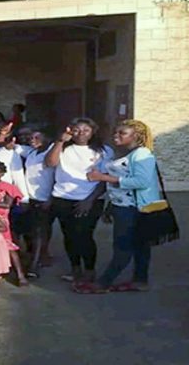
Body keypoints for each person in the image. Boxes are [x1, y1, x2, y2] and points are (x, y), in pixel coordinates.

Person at [76, 120, 160, 294]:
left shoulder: (142, 154)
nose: (116, 136)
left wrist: (103, 177)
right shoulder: (130, 153)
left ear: (136, 136)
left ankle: (103, 283)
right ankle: (140, 280)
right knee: (140, 245)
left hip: (134, 209)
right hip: (125, 206)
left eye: (122, 133)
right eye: (116, 132)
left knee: (123, 247)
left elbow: (142, 182)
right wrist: (110, 206)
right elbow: (122, 184)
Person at [45, 118, 110, 283]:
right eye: (76, 129)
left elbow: (105, 180)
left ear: (93, 132)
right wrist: (60, 141)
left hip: (90, 200)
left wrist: (89, 200)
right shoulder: (63, 148)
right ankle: (75, 269)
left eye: (86, 130)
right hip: (63, 198)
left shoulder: (104, 151)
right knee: (69, 235)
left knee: (84, 236)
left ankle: (89, 270)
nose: (81, 133)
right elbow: (50, 163)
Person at [19, 131, 55, 276]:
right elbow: (14, 147)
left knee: (40, 231)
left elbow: (57, 176)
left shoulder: (52, 151)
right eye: (30, 138)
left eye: (37, 138)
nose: (32, 140)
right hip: (30, 197)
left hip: (45, 197)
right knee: (31, 229)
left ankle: (35, 263)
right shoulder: (32, 152)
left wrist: (51, 198)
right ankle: (37, 255)